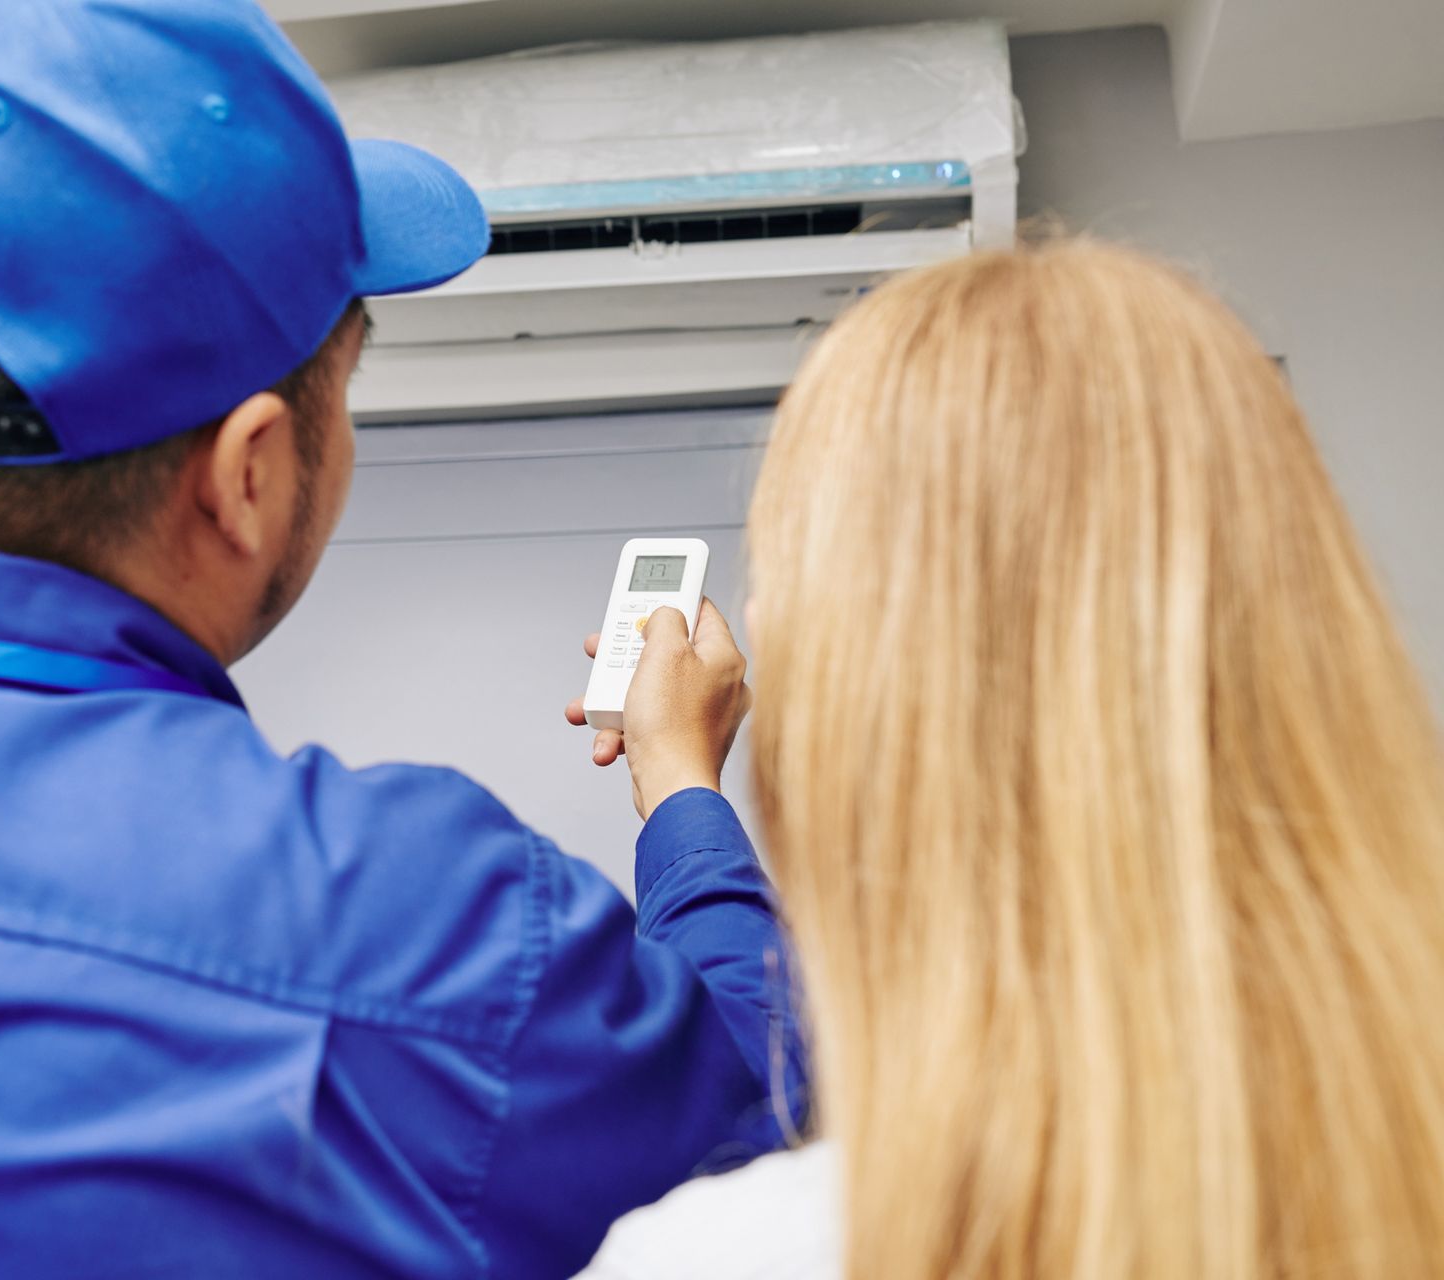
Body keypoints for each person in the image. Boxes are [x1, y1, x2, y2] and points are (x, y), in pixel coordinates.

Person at [0, 2, 799, 1276]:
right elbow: (760, 1099)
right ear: (249, 473)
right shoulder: (428, 938)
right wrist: (678, 771)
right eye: (340, 393)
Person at [579, 239, 1444, 1279]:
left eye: (794, 570)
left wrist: (681, 786)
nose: (760, 613)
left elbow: (733, 1080)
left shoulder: (739, 1253)